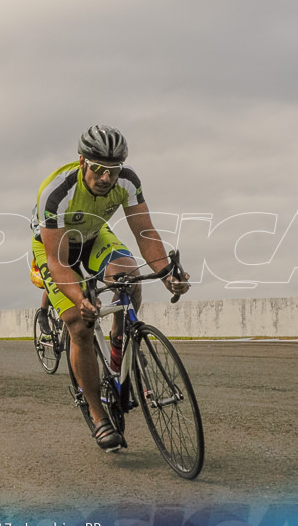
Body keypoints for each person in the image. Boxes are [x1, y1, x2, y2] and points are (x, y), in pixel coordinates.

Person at [31, 124, 190, 451]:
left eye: (113, 170)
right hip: (56, 248)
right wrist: (80, 298)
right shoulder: (57, 194)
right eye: (99, 169)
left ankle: (119, 347)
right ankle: (98, 414)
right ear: (82, 162)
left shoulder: (127, 182)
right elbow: (58, 263)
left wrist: (166, 274)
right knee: (79, 322)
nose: (106, 177)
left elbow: (145, 233)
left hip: (93, 238)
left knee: (128, 277)